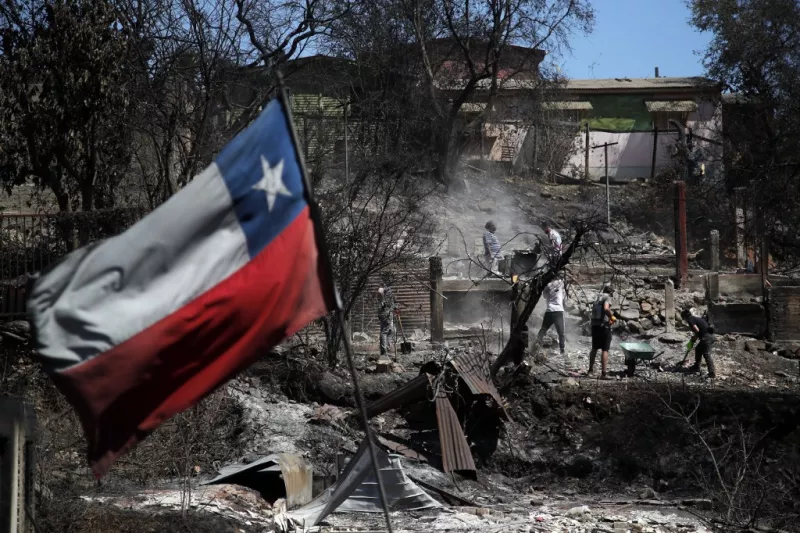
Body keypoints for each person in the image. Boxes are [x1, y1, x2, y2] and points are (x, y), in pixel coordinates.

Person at [589, 284, 616, 378]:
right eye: (612, 293)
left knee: (594, 348)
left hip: (594, 325)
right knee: (605, 349)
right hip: (604, 326)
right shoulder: (607, 297)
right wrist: (612, 317)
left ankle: (590, 371)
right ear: (611, 292)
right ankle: (603, 374)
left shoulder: (597, 298)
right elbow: (606, 308)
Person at [681, 309, 716, 378]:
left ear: (685, 317)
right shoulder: (695, 318)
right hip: (710, 336)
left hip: (706, 337)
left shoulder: (690, 320)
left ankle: (712, 372)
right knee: (698, 349)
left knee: (706, 354)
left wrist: (694, 338)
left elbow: (697, 330)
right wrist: (694, 338)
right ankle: (696, 367)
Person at [536, 277, 566, 356]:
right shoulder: (560, 282)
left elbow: (545, 296)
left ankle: (536, 346)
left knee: (543, 330)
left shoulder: (547, 285)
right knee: (561, 333)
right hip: (558, 311)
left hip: (549, 310)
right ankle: (562, 350)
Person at [377, 287, 396, 356]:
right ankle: (384, 352)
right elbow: (379, 291)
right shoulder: (384, 289)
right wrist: (383, 301)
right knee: (384, 332)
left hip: (388, 313)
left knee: (391, 331)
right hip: (385, 314)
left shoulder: (389, 291)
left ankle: (386, 349)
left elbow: (392, 302)